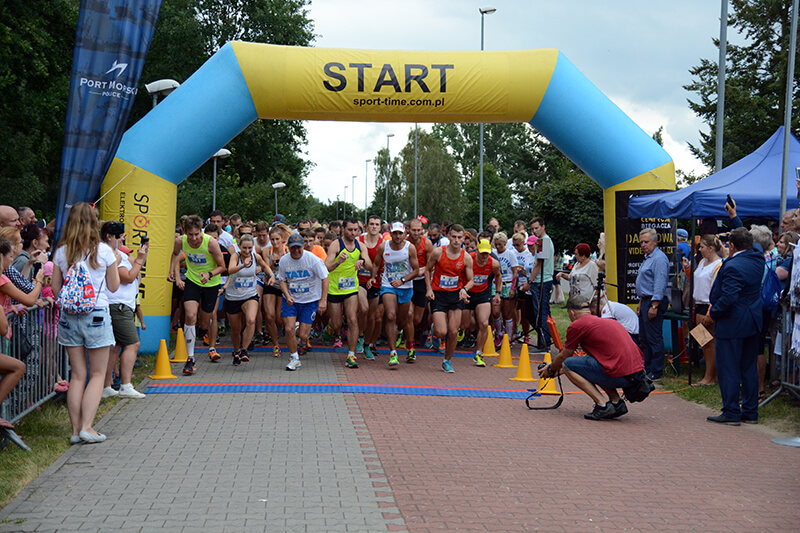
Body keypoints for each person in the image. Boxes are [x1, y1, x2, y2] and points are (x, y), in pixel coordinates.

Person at [51, 202, 121, 443]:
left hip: (69, 317)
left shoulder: (61, 251)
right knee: (98, 373)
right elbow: (113, 287)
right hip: (97, 314)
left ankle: (74, 431)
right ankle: (87, 427)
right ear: (94, 222)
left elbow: (56, 288)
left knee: (77, 375)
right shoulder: (104, 251)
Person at [539, 295, 645, 420]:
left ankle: (602, 405)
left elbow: (564, 356)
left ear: (572, 313)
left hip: (621, 376)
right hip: (636, 375)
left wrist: (551, 369)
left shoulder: (578, 325)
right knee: (593, 364)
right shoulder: (604, 321)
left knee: (569, 363)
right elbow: (585, 364)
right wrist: (557, 371)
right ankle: (616, 402)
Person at [704, 227, 764, 425]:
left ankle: (731, 411)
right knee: (748, 368)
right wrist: (734, 217)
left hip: (732, 323)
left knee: (729, 368)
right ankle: (750, 411)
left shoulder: (732, 266)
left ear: (733, 246)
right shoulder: (757, 257)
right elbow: (751, 242)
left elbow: (729, 297)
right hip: (753, 320)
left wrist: (714, 313)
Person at [168, 215, 226, 375]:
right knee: (190, 316)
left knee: (204, 323)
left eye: (196, 234)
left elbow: (222, 266)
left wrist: (209, 274)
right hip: (192, 280)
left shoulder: (211, 243)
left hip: (211, 283)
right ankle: (190, 359)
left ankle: (202, 330)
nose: (193, 238)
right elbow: (174, 254)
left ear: (201, 231)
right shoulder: (180, 241)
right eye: (190, 234)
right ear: (185, 232)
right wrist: (172, 273)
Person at [100, 221, 149, 399]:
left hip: (123, 305)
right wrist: (139, 261)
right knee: (132, 343)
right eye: (120, 235)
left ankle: (107, 385)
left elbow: (136, 268)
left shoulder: (118, 253)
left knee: (114, 347)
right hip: (118, 305)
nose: (123, 238)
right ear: (109, 236)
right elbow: (128, 277)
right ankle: (125, 384)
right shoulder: (111, 255)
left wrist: (141, 256)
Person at [277, 234, 329, 370]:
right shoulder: (284, 261)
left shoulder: (313, 260)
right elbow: (281, 280)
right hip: (291, 300)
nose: (296, 250)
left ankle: (297, 328)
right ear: (288, 247)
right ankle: (295, 358)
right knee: (288, 330)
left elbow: (325, 278)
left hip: (310, 300)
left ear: (303, 246)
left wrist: (323, 300)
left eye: (298, 247)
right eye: (293, 247)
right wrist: (287, 295)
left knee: (303, 335)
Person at [425, 224, 474, 373]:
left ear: (463, 239)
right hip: (439, 294)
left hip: (456, 295)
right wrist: (429, 288)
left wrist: (465, 289)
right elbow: (427, 270)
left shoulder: (466, 257)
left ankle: (447, 361)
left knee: (453, 331)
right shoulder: (438, 252)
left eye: (460, 238)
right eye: (454, 237)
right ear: (448, 237)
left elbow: (471, 280)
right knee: (441, 332)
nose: (456, 240)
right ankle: (434, 329)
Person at [325, 217, 372, 369]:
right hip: (334, 289)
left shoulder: (360, 245)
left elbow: (370, 265)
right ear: (343, 229)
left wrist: (363, 261)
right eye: (350, 230)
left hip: (351, 288)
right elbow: (326, 267)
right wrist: (338, 262)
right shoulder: (335, 244)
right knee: (337, 323)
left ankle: (351, 355)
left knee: (352, 320)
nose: (353, 233)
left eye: (355, 230)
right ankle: (331, 327)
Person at [371, 222, 419, 366]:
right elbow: (376, 264)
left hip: (405, 286)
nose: (397, 236)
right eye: (395, 233)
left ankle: (408, 344)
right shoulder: (383, 246)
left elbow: (416, 271)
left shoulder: (409, 248)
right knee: (390, 315)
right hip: (388, 285)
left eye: (400, 233)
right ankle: (393, 352)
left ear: (405, 234)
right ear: (390, 233)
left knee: (403, 320)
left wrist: (402, 280)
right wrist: (373, 277)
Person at [225, 233, 271, 365]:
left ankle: (244, 350)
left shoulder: (255, 257)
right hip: (233, 297)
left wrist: (271, 275)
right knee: (236, 330)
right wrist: (242, 265)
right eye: (244, 248)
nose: (247, 251)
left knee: (251, 320)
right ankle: (236, 350)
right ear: (239, 247)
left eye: (249, 248)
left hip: (250, 294)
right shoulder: (236, 256)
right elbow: (230, 270)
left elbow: (265, 266)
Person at [686, 234, 722, 386]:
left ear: (711, 248)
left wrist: (710, 313)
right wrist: (687, 269)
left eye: (702, 247)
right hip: (698, 306)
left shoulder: (718, 265)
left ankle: (710, 377)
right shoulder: (702, 262)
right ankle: (710, 374)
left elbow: (716, 290)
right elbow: (695, 280)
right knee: (703, 342)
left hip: (708, 306)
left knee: (709, 343)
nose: (699, 249)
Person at [635, 227, 670, 380]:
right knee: (644, 338)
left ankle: (656, 371)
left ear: (655, 242)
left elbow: (659, 284)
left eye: (646, 242)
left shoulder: (659, 259)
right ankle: (647, 368)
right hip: (645, 300)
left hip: (654, 301)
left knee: (654, 338)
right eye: (641, 242)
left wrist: (654, 305)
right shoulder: (648, 257)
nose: (643, 245)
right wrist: (641, 301)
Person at [462, 238, 502, 366]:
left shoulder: (493, 263)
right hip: (468, 292)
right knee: (465, 325)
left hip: (483, 294)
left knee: (484, 323)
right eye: (482, 253)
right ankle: (460, 331)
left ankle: (479, 353)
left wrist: (498, 293)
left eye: (487, 253)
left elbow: (498, 276)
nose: (485, 256)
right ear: (477, 250)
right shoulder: (468, 258)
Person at [357, 215, 383, 359]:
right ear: (367, 226)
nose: (374, 227)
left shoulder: (383, 243)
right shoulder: (359, 241)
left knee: (372, 316)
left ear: (380, 227)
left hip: (375, 282)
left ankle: (367, 344)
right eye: (371, 224)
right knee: (364, 309)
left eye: (376, 224)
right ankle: (360, 336)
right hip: (359, 280)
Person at [407, 218, 433, 355]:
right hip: (406, 281)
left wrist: (420, 272)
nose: (416, 233)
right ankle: (410, 346)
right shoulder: (404, 242)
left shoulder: (426, 243)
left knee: (417, 319)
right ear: (408, 230)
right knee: (409, 314)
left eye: (418, 230)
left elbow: (430, 265)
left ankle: (409, 333)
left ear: (422, 230)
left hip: (421, 281)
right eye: (413, 230)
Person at [528, 217, 555, 350]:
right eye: (532, 229)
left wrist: (529, 281)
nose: (534, 231)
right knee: (541, 311)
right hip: (542, 281)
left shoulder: (544, 241)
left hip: (542, 281)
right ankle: (544, 341)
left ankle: (545, 342)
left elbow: (539, 264)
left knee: (542, 312)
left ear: (543, 227)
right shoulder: (543, 241)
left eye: (537, 228)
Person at [491, 232, 519, 344]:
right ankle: (499, 333)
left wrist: (513, 288)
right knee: (495, 311)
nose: (498, 247)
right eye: (496, 244)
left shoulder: (510, 254)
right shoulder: (493, 253)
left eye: (500, 245)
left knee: (507, 313)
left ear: (504, 243)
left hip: (507, 284)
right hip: (495, 284)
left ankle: (508, 338)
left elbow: (515, 272)